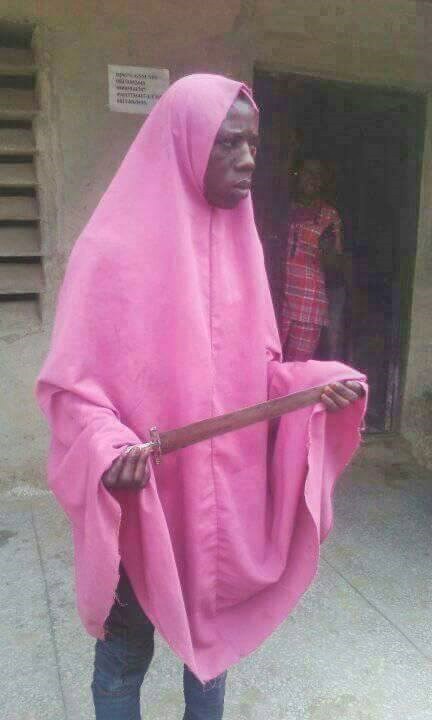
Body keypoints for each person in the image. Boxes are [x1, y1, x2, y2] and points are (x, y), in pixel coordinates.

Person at [36, 75, 366, 720]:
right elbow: (70, 391)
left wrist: (310, 387)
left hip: (222, 504)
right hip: (147, 502)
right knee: (124, 657)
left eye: (253, 144)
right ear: (184, 142)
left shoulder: (241, 245)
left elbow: (259, 375)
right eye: (228, 143)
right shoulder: (109, 250)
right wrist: (107, 445)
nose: (248, 161)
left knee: (211, 655)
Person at [279, 158, 344, 362]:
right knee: (264, 362)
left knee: (296, 370)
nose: (313, 179)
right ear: (297, 175)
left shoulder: (329, 216)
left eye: (318, 175)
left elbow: (335, 267)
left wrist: (327, 250)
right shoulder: (280, 207)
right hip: (276, 297)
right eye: (308, 172)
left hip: (309, 304)